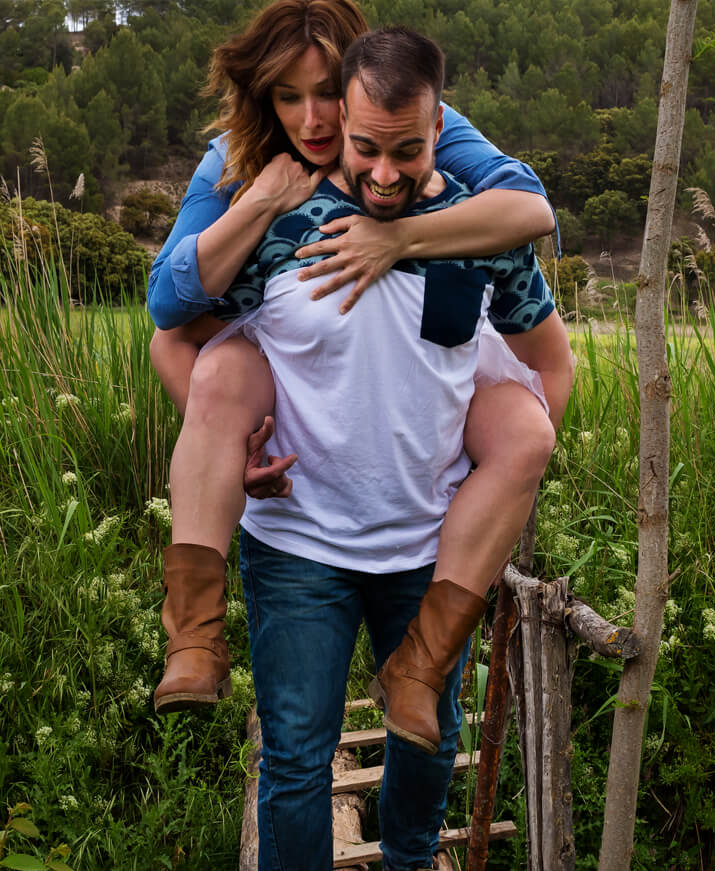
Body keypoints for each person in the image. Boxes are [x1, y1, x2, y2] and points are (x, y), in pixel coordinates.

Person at [204, 26, 577, 871]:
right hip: (297, 542)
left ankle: (411, 856)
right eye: (363, 147)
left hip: (424, 545)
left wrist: (488, 461)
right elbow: (180, 325)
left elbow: (550, 367)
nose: (378, 171)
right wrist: (231, 441)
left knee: (428, 724)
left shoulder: (479, 231)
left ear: (434, 129)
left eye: (403, 151)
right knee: (295, 751)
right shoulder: (285, 221)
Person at [146, 0, 567, 758]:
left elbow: (530, 213)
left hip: (417, 504)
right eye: (287, 95)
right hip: (297, 479)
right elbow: (169, 313)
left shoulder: (429, 135)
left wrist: (397, 238)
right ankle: (195, 637)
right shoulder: (240, 171)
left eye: (325, 94)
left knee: (430, 735)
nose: (310, 119)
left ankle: (411, 852)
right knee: (221, 370)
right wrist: (266, 199)